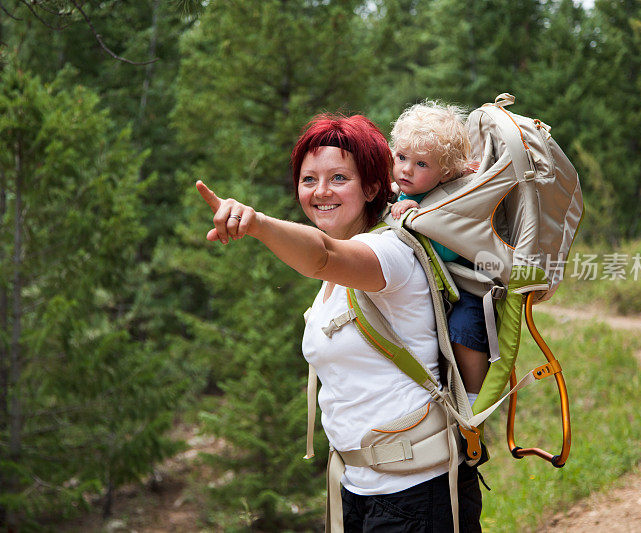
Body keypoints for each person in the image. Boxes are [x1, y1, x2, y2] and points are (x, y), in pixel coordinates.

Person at [197, 113, 482, 532]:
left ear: (372, 186)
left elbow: (322, 255)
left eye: (338, 178)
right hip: (360, 490)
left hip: (417, 493)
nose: (321, 191)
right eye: (308, 179)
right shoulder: (340, 277)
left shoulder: (391, 252)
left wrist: (256, 223)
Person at [389, 101, 489, 404]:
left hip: (466, 283)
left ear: (445, 174)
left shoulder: (447, 198)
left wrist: (420, 217)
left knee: (464, 329)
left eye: (421, 164)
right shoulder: (406, 188)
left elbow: (447, 250)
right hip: (438, 286)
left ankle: (473, 400)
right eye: (402, 157)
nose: (406, 169)